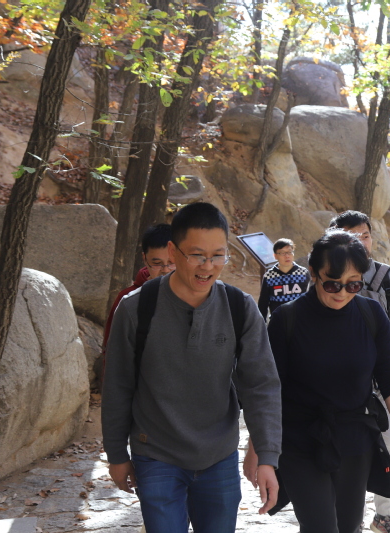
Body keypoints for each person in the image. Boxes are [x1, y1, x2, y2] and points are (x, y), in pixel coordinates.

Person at [102, 202, 282, 532]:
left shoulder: (239, 308)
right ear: (174, 251)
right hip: (156, 454)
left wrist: (267, 455)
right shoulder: (136, 308)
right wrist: (116, 455)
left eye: (218, 256)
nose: (208, 266)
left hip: (219, 456)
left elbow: (261, 385)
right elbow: (117, 386)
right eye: (197, 255)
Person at [245, 229, 390, 533]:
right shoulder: (287, 320)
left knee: (348, 527)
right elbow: (268, 389)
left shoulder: (371, 315)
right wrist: (257, 448)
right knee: (320, 527)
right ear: (314, 273)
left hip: (354, 440)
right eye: (332, 283)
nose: (342, 292)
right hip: (299, 440)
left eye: (353, 284)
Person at [329, 210, 390, 533]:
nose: (361, 242)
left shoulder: (385, 277)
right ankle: (343, 517)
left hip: (380, 382)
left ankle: (384, 514)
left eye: (365, 235)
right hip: (337, 386)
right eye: (352, 236)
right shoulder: (325, 279)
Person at [102, 223, 175, 356]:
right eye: (157, 263)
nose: (165, 270)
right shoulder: (127, 299)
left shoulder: (194, 297)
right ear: (145, 259)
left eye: (171, 263)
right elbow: (113, 351)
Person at [257, 238, 311, 320]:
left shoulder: (303, 273)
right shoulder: (269, 276)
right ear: (275, 256)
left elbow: (309, 298)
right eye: (282, 253)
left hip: (299, 319)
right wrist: (262, 323)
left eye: (290, 252)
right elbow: (263, 303)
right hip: (278, 319)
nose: (287, 256)